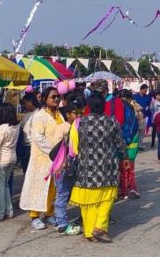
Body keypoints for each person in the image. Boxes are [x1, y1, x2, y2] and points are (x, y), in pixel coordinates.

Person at [70, 92, 127, 243]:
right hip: (107, 168)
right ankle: (99, 227)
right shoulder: (112, 121)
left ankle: (89, 232)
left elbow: (74, 147)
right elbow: (120, 144)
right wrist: (125, 157)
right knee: (107, 197)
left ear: (89, 106)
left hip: (86, 168)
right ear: (104, 106)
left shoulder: (80, 122)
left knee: (88, 202)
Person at [20, 87, 67, 230]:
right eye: (53, 97)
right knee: (38, 186)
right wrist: (53, 150)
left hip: (57, 158)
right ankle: (34, 216)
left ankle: (49, 213)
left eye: (58, 96)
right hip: (42, 157)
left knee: (53, 187)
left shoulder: (59, 114)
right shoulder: (40, 116)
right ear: (45, 99)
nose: (57, 99)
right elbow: (38, 137)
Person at [53, 96, 84, 236]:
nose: (78, 116)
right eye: (75, 113)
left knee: (70, 193)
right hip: (63, 166)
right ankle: (62, 224)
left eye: (80, 113)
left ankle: (66, 220)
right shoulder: (64, 128)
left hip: (71, 166)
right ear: (68, 114)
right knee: (62, 194)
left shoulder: (78, 126)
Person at [0, 103, 19, 222]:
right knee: (5, 185)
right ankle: (9, 211)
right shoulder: (16, 126)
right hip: (12, 158)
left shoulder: (2, 127)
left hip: (0, 159)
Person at [120, 90, 141, 199]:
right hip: (130, 143)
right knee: (130, 169)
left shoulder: (118, 107)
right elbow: (134, 126)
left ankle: (124, 192)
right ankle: (132, 188)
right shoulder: (130, 110)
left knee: (123, 170)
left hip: (121, 143)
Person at [18, 93, 41, 174]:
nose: (24, 106)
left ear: (30, 102)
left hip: (34, 145)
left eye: (25, 103)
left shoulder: (39, 113)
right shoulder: (26, 115)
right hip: (26, 146)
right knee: (26, 171)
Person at [134, 84, 152, 150]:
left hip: (144, 117)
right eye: (145, 90)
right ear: (141, 89)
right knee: (135, 131)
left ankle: (140, 145)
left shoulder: (148, 97)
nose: (146, 91)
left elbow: (149, 106)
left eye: (146, 90)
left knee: (142, 131)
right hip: (136, 116)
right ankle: (135, 144)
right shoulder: (135, 97)